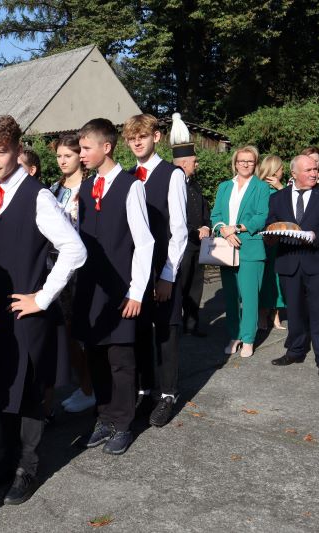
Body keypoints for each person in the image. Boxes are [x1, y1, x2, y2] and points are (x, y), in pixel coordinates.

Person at [0, 115, 86, 504]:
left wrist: (42, 297)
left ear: (17, 150)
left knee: (28, 393)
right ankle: (8, 459)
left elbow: (75, 250)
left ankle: (27, 467)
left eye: (1, 152)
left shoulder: (37, 196)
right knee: (4, 388)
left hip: (27, 313)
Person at [74, 117, 154, 454]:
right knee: (95, 356)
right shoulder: (85, 187)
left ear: (106, 147)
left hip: (121, 290)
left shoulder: (131, 186)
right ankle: (104, 417)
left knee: (121, 359)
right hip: (91, 289)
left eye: (85, 148)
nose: (80, 154)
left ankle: (123, 423)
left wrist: (136, 291)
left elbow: (145, 243)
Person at [122, 113, 187, 428]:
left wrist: (167, 275)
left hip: (163, 266)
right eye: (132, 138)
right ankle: (145, 390)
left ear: (156, 137)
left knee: (165, 333)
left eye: (142, 137)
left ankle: (167, 394)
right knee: (139, 332)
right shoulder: (127, 176)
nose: (137, 143)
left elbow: (180, 230)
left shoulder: (172, 175)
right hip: (137, 270)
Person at [267, 155, 319, 378]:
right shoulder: (278, 198)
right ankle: (295, 351)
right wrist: (270, 235)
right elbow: (270, 224)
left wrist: (316, 235)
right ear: (294, 174)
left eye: (315, 169)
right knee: (294, 311)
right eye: (309, 170)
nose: (315, 173)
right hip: (288, 262)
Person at [210, 145, 271, 358]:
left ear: (255, 164)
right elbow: (215, 215)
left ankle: (248, 338)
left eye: (250, 161)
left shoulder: (261, 187)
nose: (245, 164)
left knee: (250, 297)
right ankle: (234, 335)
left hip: (250, 248)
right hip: (227, 247)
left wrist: (235, 228)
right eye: (241, 161)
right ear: (235, 163)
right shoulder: (224, 186)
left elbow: (262, 217)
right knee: (230, 296)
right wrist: (224, 231)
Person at [49, 134, 95, 414]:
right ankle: (86, 385)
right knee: (66, 331)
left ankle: (93, 387)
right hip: (57, 267)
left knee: (84, 332)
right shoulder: (53, 189)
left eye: (68, 155)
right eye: (59, 156)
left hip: (84, 267)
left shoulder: (90, 187)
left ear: (80, 156)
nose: (62, 161)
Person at [168, 114, 210, 337]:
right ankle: (174, 325)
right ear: (184, 163)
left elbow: (204, 209)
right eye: (194, 161)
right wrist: (195, 231)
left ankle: (192, 325)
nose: (197, 164)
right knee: (179, 286)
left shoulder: (195, 184)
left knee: (196, 286)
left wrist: (207, 226)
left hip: (198, 244)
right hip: (181, 246)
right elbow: (173, 218)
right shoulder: (170, 184)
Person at [256, 155, 286, 330]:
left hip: (279, 240)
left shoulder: (281, 189)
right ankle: (262, 314)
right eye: (281, 168)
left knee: (277, 276)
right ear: (274, 170)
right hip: (265, 238)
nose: (283, 171)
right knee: (266, 277)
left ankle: (275, 314)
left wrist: (281, 187)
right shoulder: (260, 189)